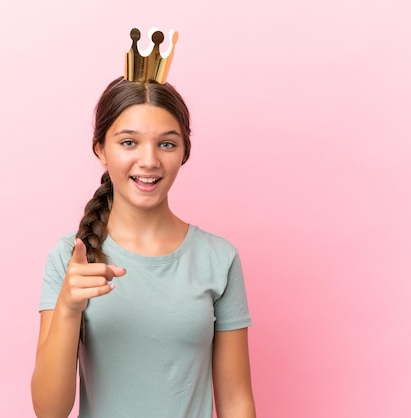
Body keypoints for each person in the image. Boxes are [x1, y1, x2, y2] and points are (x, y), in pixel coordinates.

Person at [31, 28, 256, 418]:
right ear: (101, 148)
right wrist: (68, 307)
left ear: (184, 151)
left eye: (167, 143)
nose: (149, 160)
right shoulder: (70, 259)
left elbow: (236, 401)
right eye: (129, 142)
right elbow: (49, 410)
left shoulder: (219, 258)